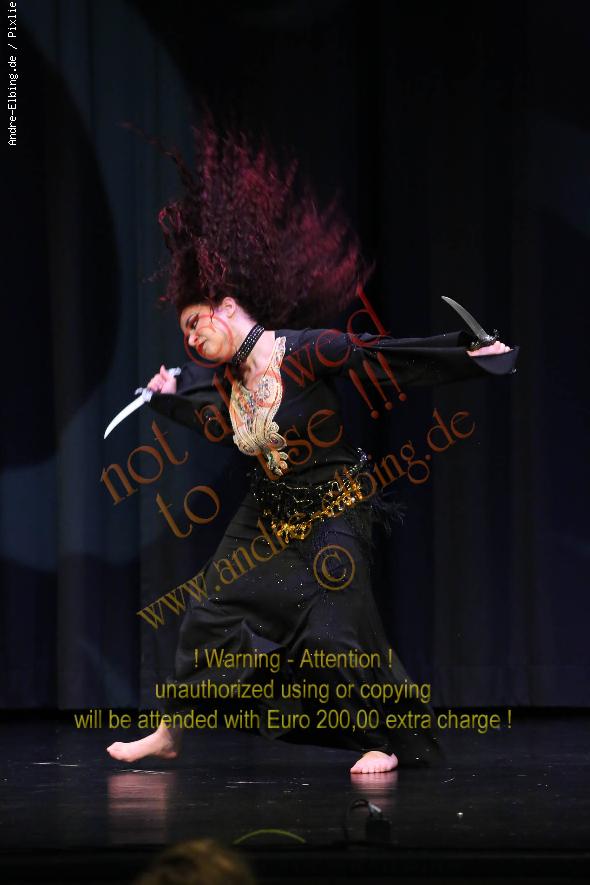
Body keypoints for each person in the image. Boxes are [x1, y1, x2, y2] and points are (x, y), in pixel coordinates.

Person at [107, 118, 519, 774]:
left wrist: (470, 355)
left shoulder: (307, 351)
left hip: (334, 504)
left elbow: (388, 360)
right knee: (207, 610)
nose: (189, 338)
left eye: (194, 323)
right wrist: (165, 396)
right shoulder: (229, 383)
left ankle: (377, 739)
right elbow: (215, 419)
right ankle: (170, 731)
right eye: (183, 331)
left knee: (335, 630)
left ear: (227, 305)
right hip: (268, 511)